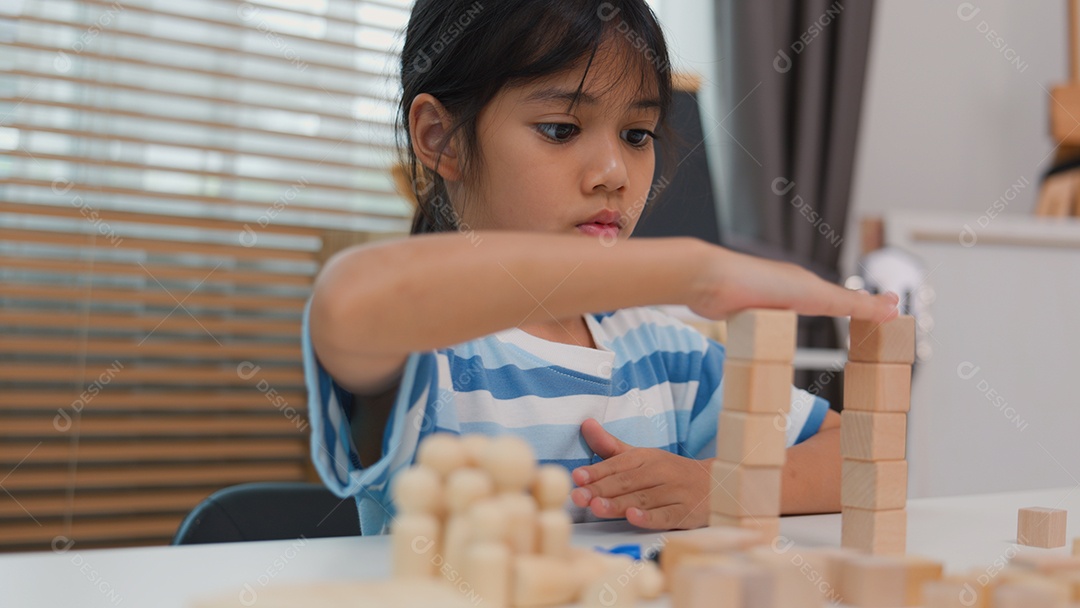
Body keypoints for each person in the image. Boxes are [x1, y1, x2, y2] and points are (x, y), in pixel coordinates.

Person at [303, 0, 898, 535]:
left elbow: (857, 450)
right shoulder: (426, 357)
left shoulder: (666, 354)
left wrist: (717, 487)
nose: (614, 170)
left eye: (637, 135)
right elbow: (349, 301)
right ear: (441, 140)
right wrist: (693, 271)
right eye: (561, 129)